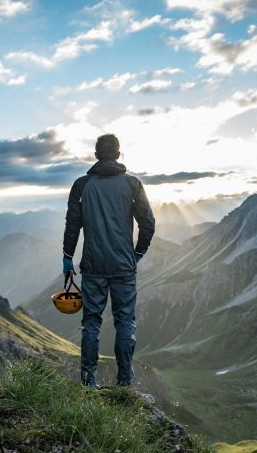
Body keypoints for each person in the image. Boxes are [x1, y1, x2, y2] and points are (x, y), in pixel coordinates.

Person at [62, 134, 155, 388]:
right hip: (124, 265)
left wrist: (68, 258)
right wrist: (138, 253)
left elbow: (73, 225)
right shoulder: (132, 185)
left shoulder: (81, 186)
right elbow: (148, 223)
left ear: (95, 155)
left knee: (91, 322)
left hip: (93, 265)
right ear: (118, 154)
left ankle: (88, 381)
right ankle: (124, 381)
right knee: (125, 321)